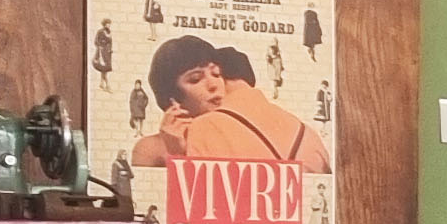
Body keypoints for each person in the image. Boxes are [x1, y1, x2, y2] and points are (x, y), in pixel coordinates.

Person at [131, 36, 329, 174]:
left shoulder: (228, 133)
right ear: (171, 97)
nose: (213, 84)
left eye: (216, 73)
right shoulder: (151, 149)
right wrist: (176, 155)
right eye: (195, 79)